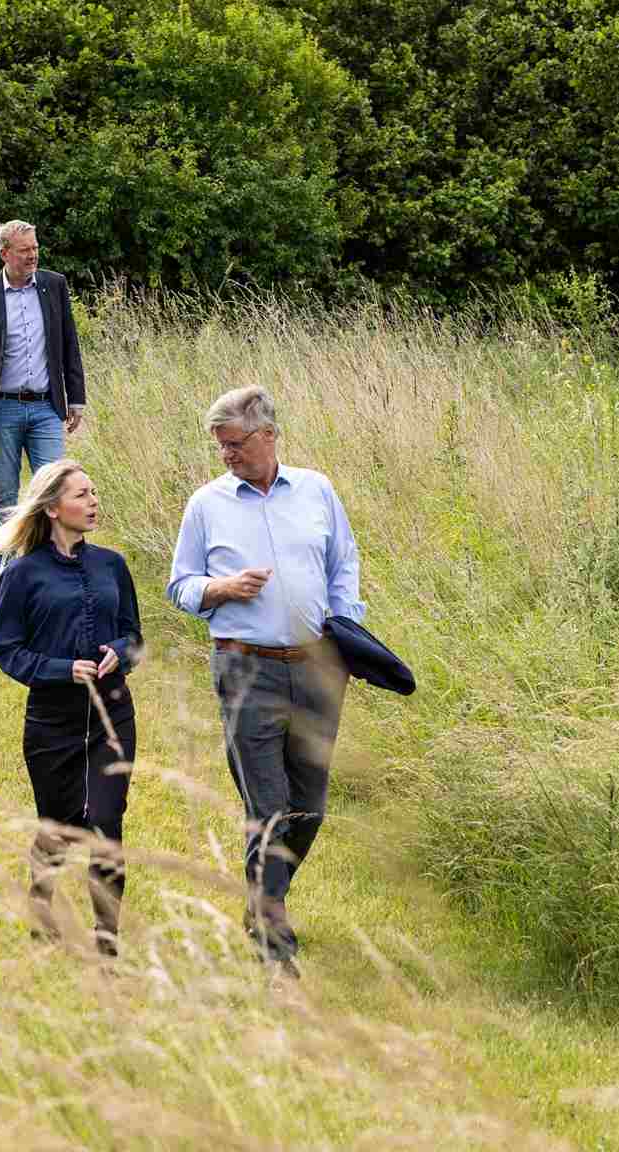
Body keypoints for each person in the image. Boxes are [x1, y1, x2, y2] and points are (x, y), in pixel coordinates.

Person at [165, 386, 363, 971]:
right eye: (220, 446)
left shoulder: (317, 490)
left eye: (234, 444)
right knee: (270, 806)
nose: (226, 455)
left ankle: (261, 898)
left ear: (268, 436)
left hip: (318, 667)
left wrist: (346, 635)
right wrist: (220, 589)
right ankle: (274, 938)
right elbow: (180, 585)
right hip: (245, 667)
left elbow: (343, 564)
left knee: (309, 807)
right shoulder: (207, 504)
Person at [0, 459, 141, 957]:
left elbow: (135, 635)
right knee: (58, 827)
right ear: (53, 508)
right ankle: (42, 902)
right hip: (52, 723)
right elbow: (6, 648)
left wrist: (121, 652)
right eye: (82, 495)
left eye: (94, 493)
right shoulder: (22, 574)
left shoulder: (112, 564)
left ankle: (107, 939)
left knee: (106, 825)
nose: (94, 502)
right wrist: (59, 669)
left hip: (112, 717)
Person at [0, 220, 86, 540]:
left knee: (58, 491)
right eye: (24, 250)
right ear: (5, 253)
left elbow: (69, 343)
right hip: (3, 409)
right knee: (4, 497)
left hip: (46, 407)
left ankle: (59, 568)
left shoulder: (54, 285)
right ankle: (6, 574)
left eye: (35, 248)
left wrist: (77, 397)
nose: (32, 256)